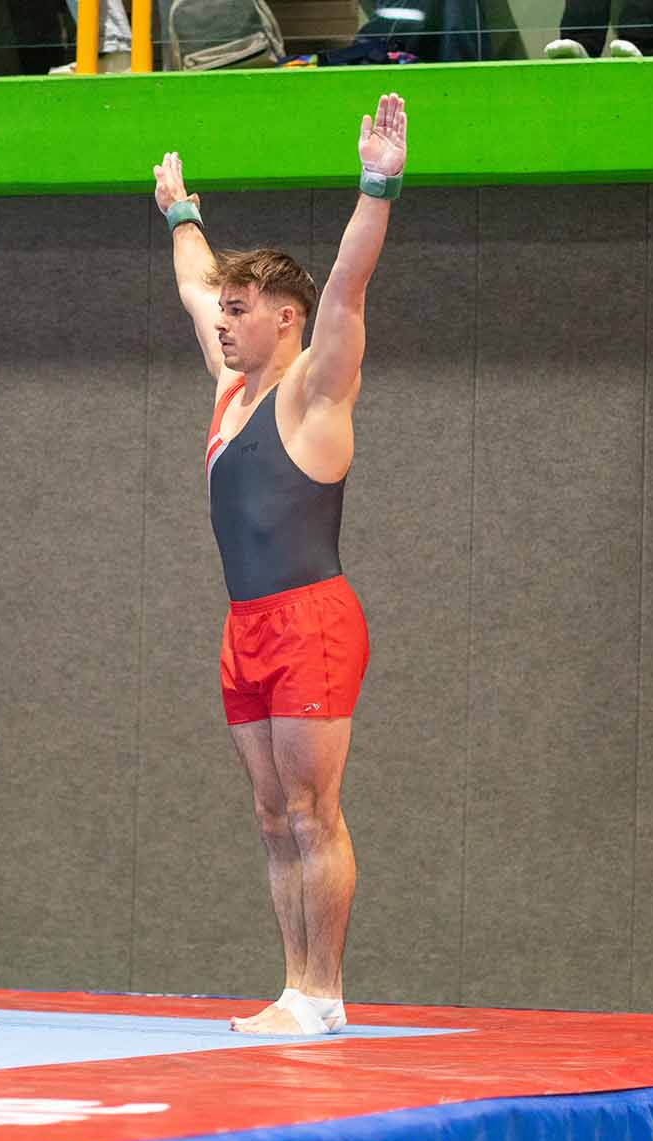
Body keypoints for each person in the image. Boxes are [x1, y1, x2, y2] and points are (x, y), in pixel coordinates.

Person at [151, 93, 405, 1037]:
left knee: (311, 809)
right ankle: (294, 985)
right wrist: (183, 213)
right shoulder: (230, 387)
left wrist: (376, 183)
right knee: (269, 814)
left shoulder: (313, 392)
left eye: (240, 311)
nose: (221, 323)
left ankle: (327, 995)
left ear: (285, 318)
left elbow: (347, 286)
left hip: (311, 620)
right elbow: (191, 282)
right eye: (223, 311)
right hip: (244, 627)